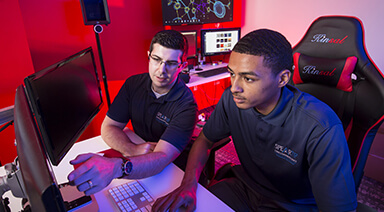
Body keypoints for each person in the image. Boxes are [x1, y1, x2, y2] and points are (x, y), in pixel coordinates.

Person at [152, 29, 357, 212]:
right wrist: (188, 185)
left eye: (248, 78)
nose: (235, 87)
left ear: (282, 79)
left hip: (292, 204)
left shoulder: (320, 126)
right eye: (232, 74)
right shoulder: (232, 100)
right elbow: (205, 140)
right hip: (245, 189)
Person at [67, 30, 198, 195]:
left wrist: (117, 168)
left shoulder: (186, 105)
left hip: (172, 171)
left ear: (182, 66)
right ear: (148, 56)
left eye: (171, 63)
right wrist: (131, 149)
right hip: (138, 161)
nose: (161, 70)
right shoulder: (133, 84)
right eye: (156, 59)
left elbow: (162, 157)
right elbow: (109, 127)